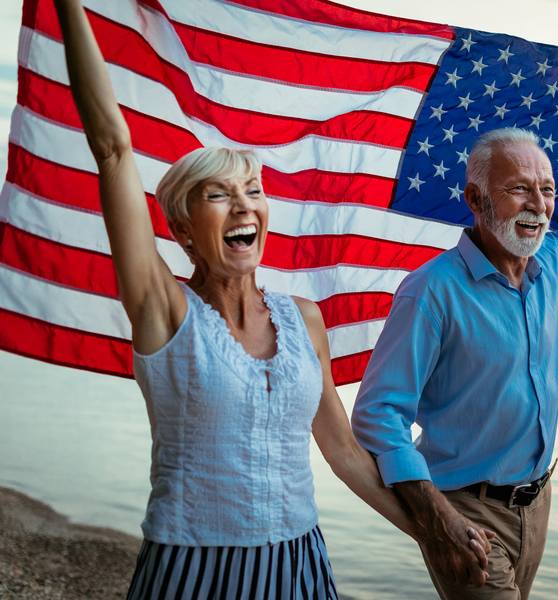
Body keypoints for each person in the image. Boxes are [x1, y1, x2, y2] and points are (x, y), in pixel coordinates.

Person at [51, 0, 491, 597]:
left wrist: (431, 531)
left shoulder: (301, 318)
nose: (242, 205)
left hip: (298, 561)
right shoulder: (166, 312)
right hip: (191, 564)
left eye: (252, 191)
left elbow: (346, 454)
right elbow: (112, 149)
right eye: (217, 194)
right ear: (182, 229)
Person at [351, 65, 558, 599]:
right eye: (518, 189)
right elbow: (378, 415)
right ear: (476, 201)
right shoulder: (431, 292)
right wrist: (437, 519)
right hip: (466, 511)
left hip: (539, 503)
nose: (539, 206)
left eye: (545, 190)